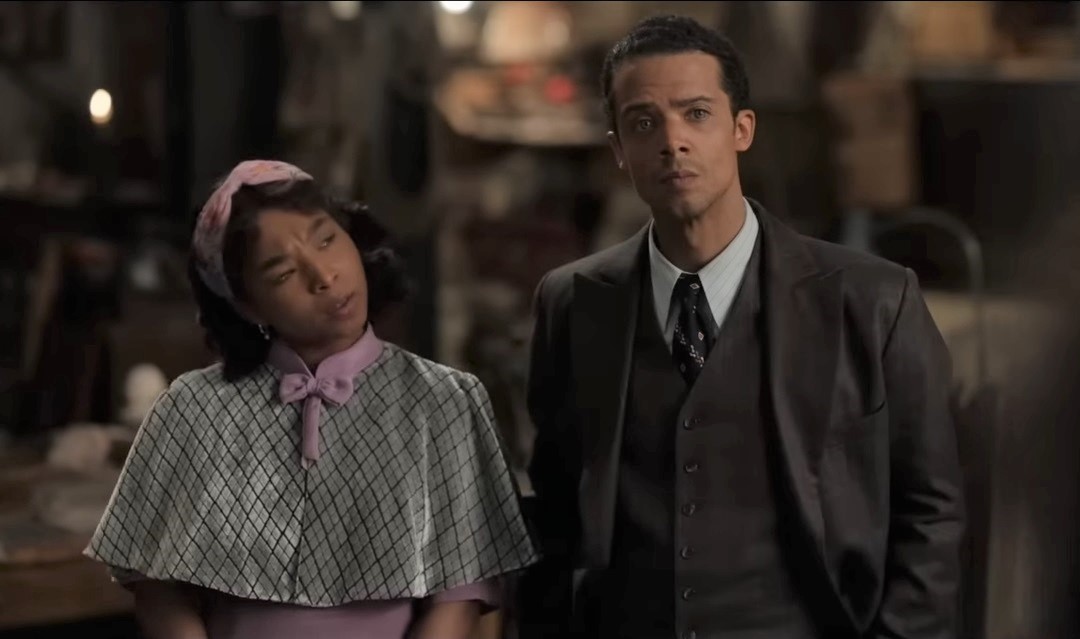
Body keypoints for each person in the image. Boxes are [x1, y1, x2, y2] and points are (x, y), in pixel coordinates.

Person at [519, 15, 964, 639]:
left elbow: (931, 513)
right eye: (644, 123)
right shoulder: (572, 301)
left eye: (696, 114)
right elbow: (556, 511)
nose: (672, 141)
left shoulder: (874, 301)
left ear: (742, 129)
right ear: (618, 149)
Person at [85, 160, 539, 639]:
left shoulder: (444, 401)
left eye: (326, 240)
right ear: (248, 306)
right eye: (283, 273)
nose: (323, 276)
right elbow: (157, 589)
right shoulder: (191, 409)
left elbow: (460, 598)